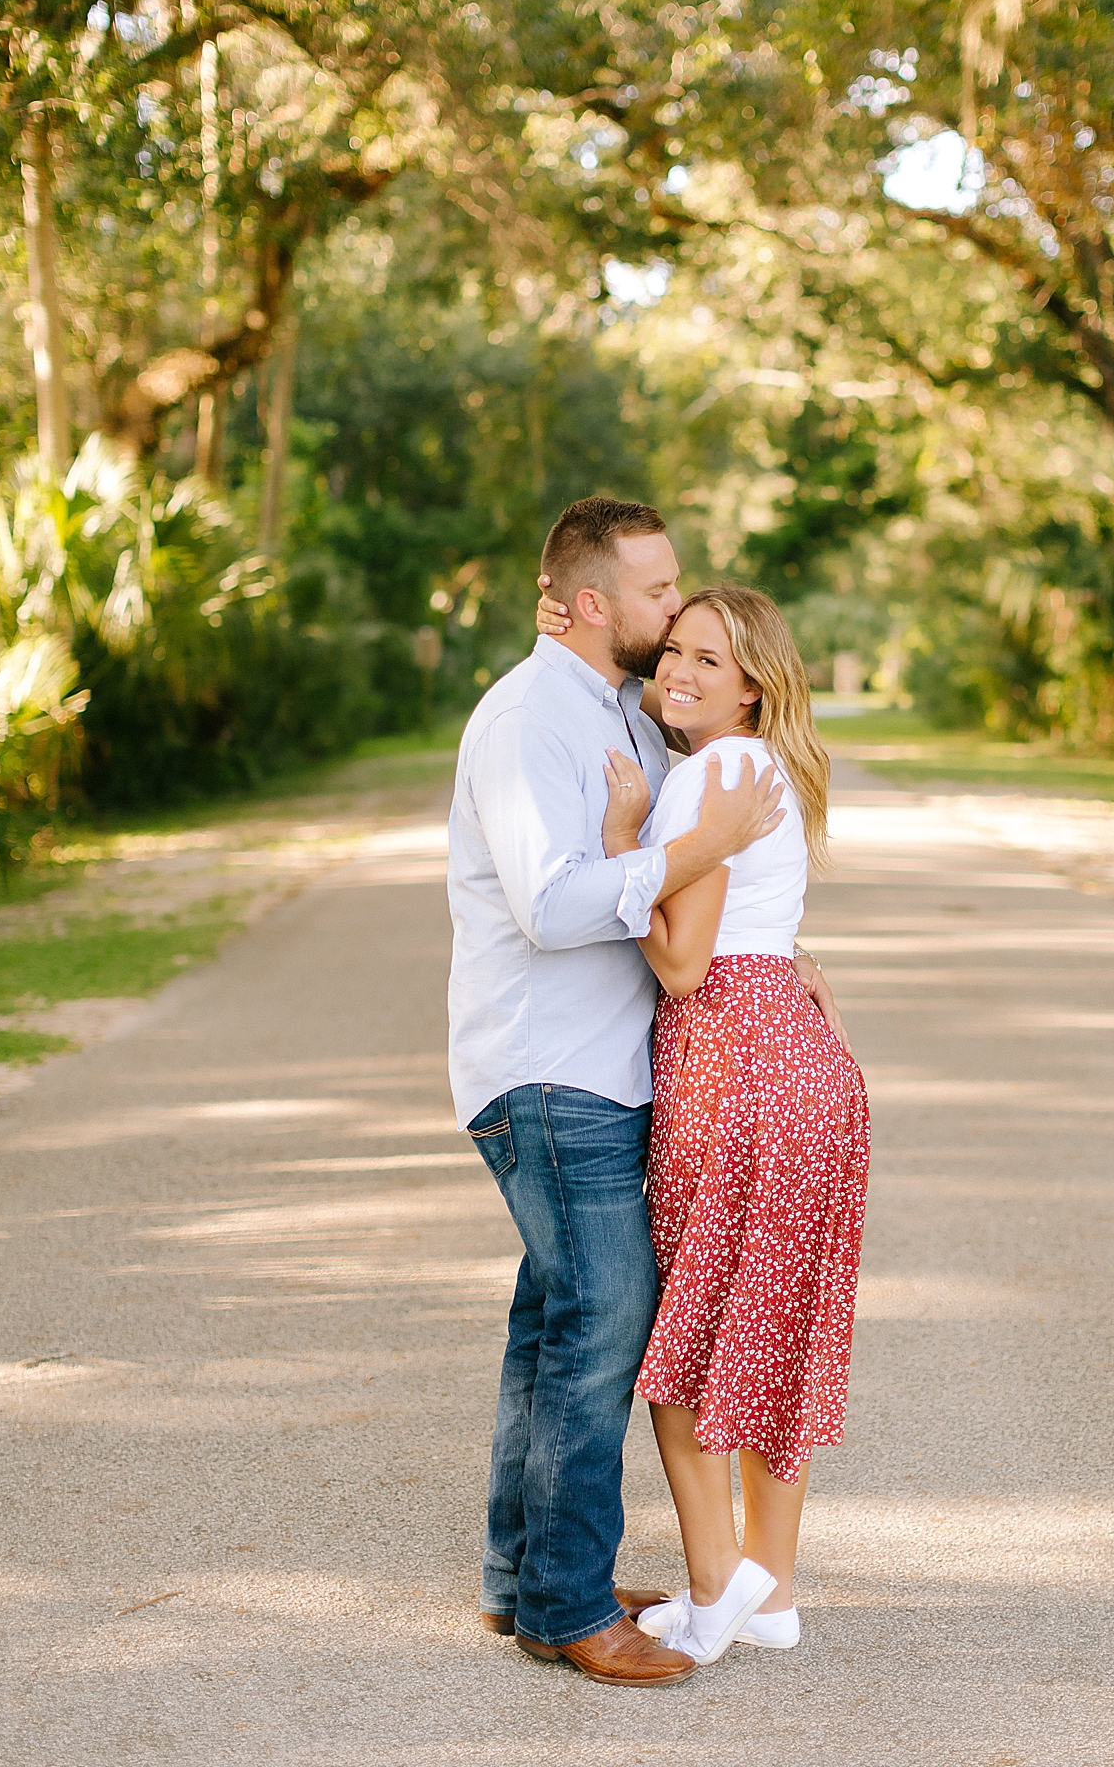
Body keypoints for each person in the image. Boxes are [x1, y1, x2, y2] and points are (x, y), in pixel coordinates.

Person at [448, 498, 836, 1689]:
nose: (675, 618)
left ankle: (527, 1579)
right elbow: (556, 903)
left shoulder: (616, 706)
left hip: (616, 1072)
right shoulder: (527, 719)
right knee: (609, 1322)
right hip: (549, 1070)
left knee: (553, 1321)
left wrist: (754, 930)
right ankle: (569, 1602)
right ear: (591, 603)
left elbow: (696, 914)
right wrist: (693, 847)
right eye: (661, 599)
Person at [549, 582, 870, 1666]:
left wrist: (626, 842)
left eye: (708, 660)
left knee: (682, 1344)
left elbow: (684, 964)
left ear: (751, 687)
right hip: (803, 1068)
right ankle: (770, 1591)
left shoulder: (705, 778)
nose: (678, 670)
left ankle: (712, 1587)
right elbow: (754, 930)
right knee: (774, 1339)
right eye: (673, 647)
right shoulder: (758, 764)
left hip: (734, 1067)